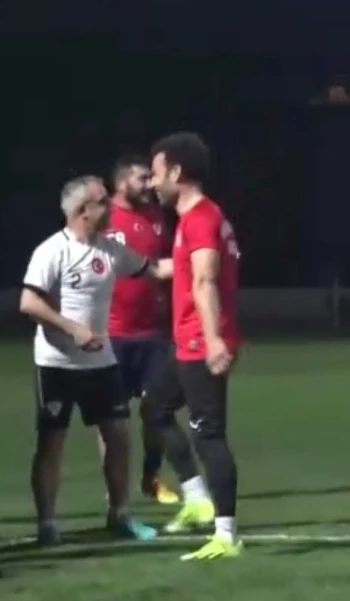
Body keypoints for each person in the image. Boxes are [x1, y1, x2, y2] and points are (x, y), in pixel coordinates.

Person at [19, 176, 171, 544]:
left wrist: (197, 256)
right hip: (56, 364)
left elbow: (154, 270)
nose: (110, 207)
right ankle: (47, 525)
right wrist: (71, 328)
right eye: (102, 201)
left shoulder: (111, 250)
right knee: (52, 442)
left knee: (118, 436)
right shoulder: (52, 251)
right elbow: (29, 302)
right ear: (82, 211)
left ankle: (120, 515)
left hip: (101, 364)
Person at [145, 132, 245, 561]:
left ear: (176, 172)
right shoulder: (194, 220)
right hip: (187, 341)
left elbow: (205, 281)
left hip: (200, 342)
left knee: (209, 435)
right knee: (155, 409)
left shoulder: (201, 217)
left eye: (156, 173)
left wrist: (214, 340)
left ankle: (226, 534)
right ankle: (197, 497)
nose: (151, 182)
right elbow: (182, 269)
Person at [104, 154, 185, 507]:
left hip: (152, 333)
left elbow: (164, 265)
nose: (149, 184)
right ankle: (115, 491)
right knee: (113, 418)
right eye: (142, 178)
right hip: (112, 333)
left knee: (156, 409)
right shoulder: (103, 217)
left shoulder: (155, 217)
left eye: (151, 177)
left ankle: (151, 477)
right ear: (122, 182)